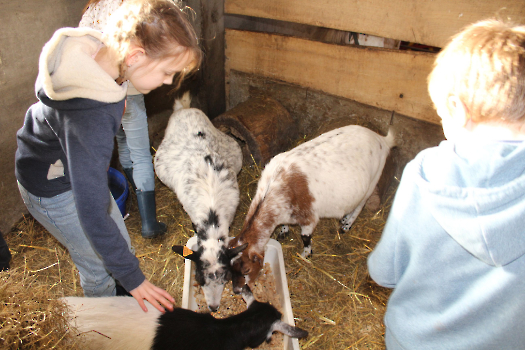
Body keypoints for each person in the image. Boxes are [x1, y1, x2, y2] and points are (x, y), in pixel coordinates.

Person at [15, 0, 202, 312]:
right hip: (53, 188)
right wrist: (134, 278)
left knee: (118, 244)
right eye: (168, 73)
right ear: (136, 56)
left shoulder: (102, 55)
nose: (168, 82)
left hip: (70, 167)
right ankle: (106, 328)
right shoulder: (90, 114)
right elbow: (91, 210)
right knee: (98, 267)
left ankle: (120, 292)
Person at [367, 19, 525, 350]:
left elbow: (384, 272)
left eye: (442, 117)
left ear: (457, 109)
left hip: (414, 340)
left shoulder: (426, 173)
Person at [80, 0, 165, 238]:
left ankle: (135, 196)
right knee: (139, 152)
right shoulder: (131, 7)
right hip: (127, 89)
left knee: (122, 142)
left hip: (98, 91)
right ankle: (149, 222)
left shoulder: (91, 10)